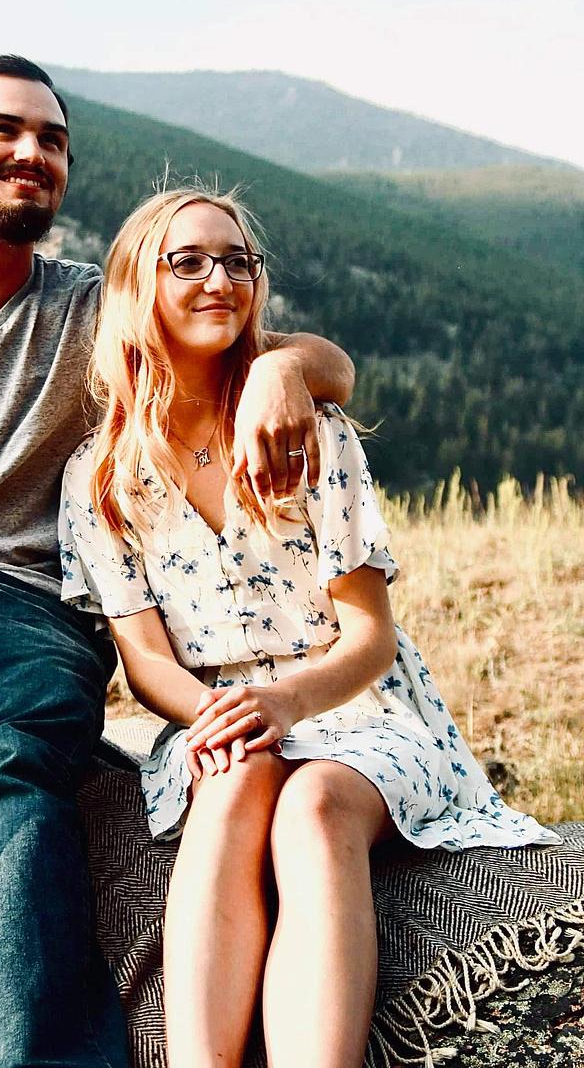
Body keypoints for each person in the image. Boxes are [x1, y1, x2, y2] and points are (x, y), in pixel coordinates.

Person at [0, 57, 354, 1063]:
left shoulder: (96, 314)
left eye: (52, 140)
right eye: (4, 130)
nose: (33, 152)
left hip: (22, 616)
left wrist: (281, 368)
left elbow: (308, 356)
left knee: (10, 766)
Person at [58, 187, 560, 1068]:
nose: (220, 280)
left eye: (238, 262)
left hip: (358, 707)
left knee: (315, 806)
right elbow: (144, 661)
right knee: (234, 784)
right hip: (217, 711)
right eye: (188, 262)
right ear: (138, 286)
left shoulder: (311, 433)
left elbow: (370, 637)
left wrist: (287, 702)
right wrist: (221, 718)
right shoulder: (100, 476)